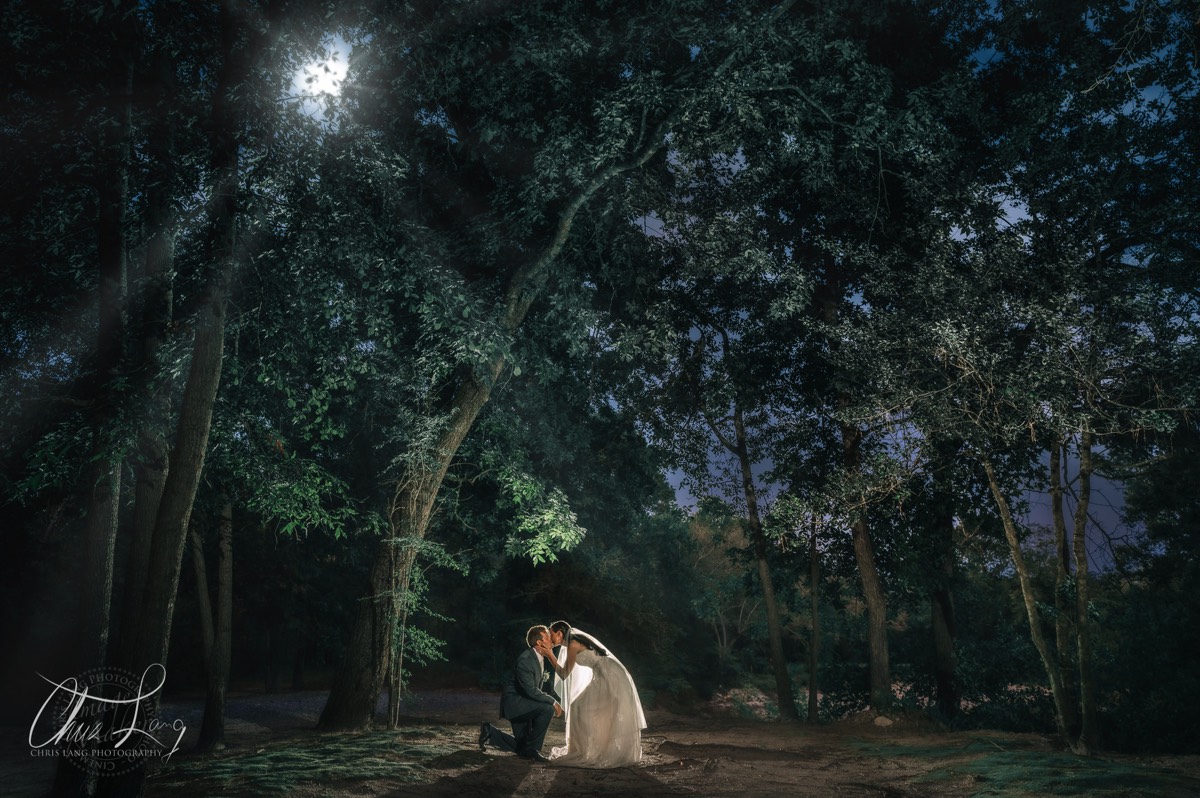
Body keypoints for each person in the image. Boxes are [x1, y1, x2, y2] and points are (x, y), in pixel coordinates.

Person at [549, 628, 646, 768]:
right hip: (602, 674)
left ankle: (591, 750)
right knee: (579, 707)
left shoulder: (573, 644)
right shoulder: (572, 644)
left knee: (584, 708)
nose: (550, 637)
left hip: (610, 674)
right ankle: (589, 748)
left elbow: (564, 674)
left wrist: (549, 654)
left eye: (551, 634)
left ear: (559, 633)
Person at [478, 625, 563, 762]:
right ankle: (532, 749)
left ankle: (490, 733)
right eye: (547, 637)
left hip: (524, 702)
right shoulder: (526, 659)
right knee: (547, 708)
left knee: (522, 747)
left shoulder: (539, 657)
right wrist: (554, 702)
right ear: (539, 642)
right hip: (516, 703)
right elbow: (531, 691)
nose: (551, 640)